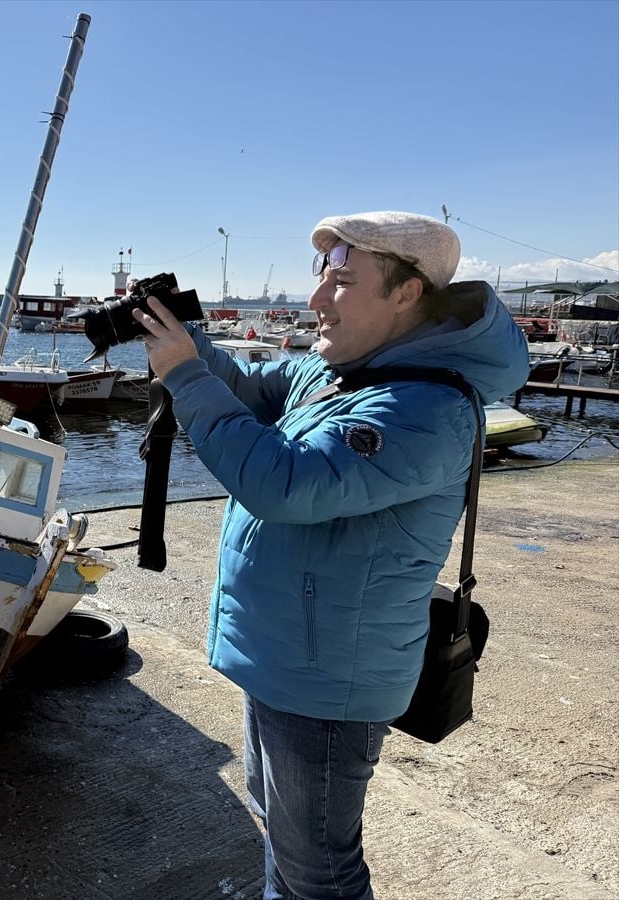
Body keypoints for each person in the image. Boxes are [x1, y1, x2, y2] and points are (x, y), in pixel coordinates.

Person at [133, 211, 530, 899]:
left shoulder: (423, 408)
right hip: (287, 656)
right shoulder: (342, 372)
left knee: (322, 870)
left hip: (325, 680)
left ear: (407, 294)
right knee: (286, 838)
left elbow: (284, 484)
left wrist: (184, 379)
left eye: (342, 282)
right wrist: (184, 337)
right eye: (322, 278)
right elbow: (252, 391)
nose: (317, 300)